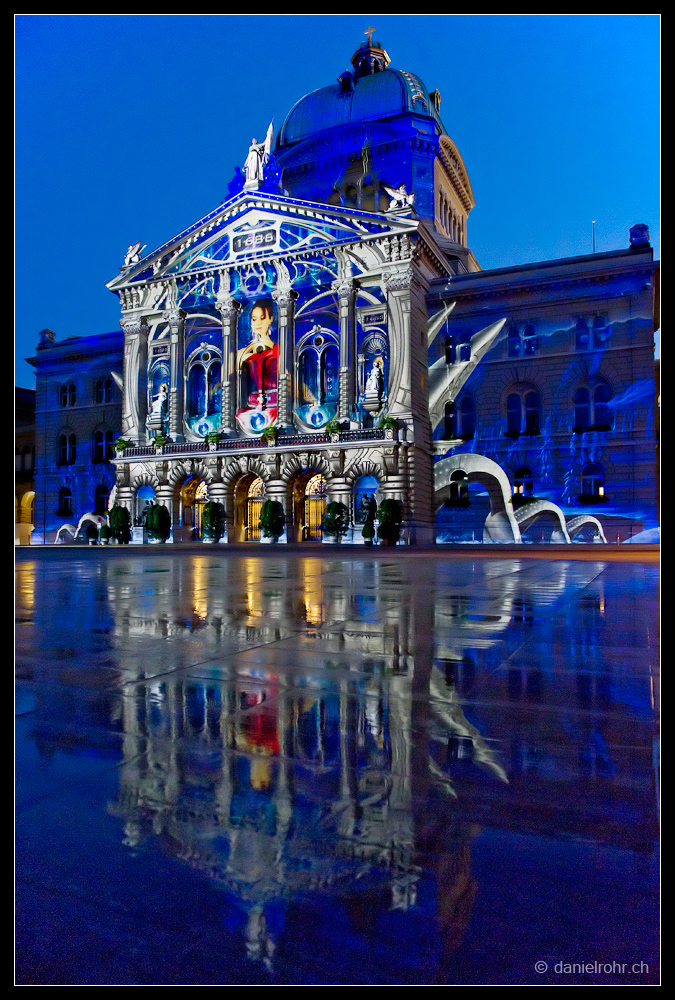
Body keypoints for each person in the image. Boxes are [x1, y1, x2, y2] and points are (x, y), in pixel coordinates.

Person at [237, 300, 279, 418]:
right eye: (254, 319)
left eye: (262, 318)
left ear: (270, 318)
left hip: (275, 409)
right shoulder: (242, 353)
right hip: (252, 410)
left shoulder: (278, 351)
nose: (258, 323)